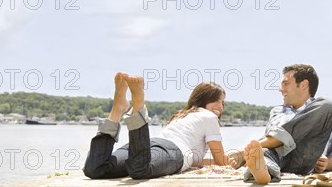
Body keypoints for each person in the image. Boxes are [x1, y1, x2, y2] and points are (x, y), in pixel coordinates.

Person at [83, 73, 228, 180]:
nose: (220, 106)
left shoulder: (182, 115)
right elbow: (221, 162)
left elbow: (195, 160)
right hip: (171, 151)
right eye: (216, 100)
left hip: (149, 145)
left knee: (96, 169)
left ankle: (117, 110)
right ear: (204, 99)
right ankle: (139, 104)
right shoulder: (210, 117)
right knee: (140, 170)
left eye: (222, 102)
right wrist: (240, 159)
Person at [230, 64, 332, 185]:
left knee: (327, 104)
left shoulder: (331, 110)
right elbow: (270, 144)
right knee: (268, 152)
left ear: (303, 85)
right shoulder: (277, 111)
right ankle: (263, 171)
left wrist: (327, 164)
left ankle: (258, 163)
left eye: (285, 83)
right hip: (280, 158)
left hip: (306, 158)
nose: (281, 89)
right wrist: (255, 150)